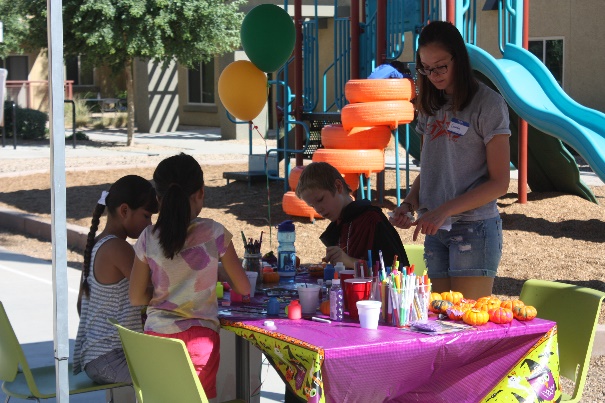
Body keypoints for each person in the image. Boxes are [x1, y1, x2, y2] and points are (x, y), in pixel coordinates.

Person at [389, 21, 511, 300]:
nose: (433, 75)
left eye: (440, 66)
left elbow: (499, 183)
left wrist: (443, 210)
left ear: (459, 58)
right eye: (426, 68)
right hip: (435, 230)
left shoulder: (488, 105)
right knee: (440, 322)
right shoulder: (430, 105)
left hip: (474, 228)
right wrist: (409, 204)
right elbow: (431, 170)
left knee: (466, 321)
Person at [129, 153, 250, 401]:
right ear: (201, 193)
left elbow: (135, 296)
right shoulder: (215, 233)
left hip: (156, 341)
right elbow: (243, 287)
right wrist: (216, 272)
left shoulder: (147, 238)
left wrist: (166, 291)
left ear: (159, 199)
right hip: (200, 343)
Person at [73, 175, 158, 384]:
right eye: (146, 216)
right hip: (110, 359)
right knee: (168, 377)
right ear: (124, 211)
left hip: (95, 357)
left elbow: (80, 305)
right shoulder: (118, 248)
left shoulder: (96, 244)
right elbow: (150, 289)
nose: (150, 225)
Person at [296, 161, 408, 270]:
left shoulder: (371, 219)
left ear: (338, 186)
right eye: (312, 205)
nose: (318, 209)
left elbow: (395, 270)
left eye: (320, 200)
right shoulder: (339, 226)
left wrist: (351, 262)